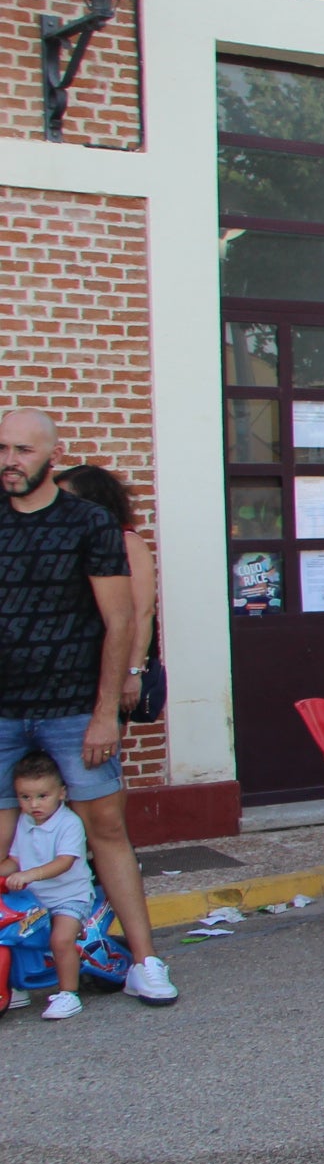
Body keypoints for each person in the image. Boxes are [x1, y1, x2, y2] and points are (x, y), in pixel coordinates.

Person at [0, 411, 174, 1009]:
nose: (10, 460)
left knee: (106, 832)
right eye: (2, 448)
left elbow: (120, 620)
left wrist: (106, 712)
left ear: (51, 453)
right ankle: (12, 971)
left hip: (74, 708)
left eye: (23, 449)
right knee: (3, 840)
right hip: (3, 709)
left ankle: (147, 961)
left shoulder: (88, 521)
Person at [54, 465, 157, 727]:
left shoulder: (126, 542)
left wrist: (132, 672)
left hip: (110, 665)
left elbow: (142, 612)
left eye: (68, 498)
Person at [4, 752, 95, 1019]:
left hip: (70, 897)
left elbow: (64, 862)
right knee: (12, 936)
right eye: (25, 797)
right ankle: (16, 986)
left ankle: (69, 993)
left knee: (60, 939)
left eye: (42, 796)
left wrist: (30, 874)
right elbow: (14, 860)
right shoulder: (24, 822)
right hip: (35, 898)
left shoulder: (69, 823)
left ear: (61, 793)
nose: (34, 804)